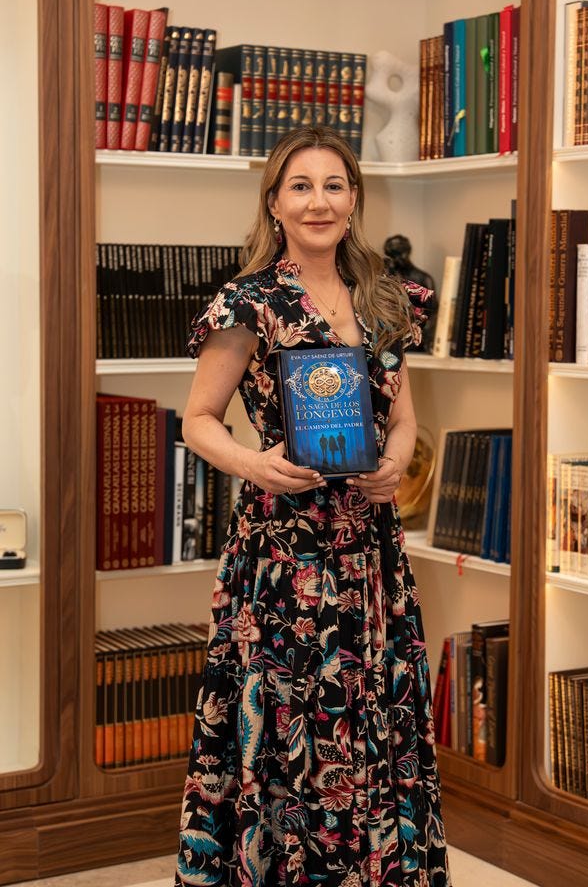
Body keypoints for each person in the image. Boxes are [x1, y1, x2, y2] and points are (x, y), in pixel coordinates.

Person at [174, 125, 451, 886]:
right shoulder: (249, 301)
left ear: (355, 201)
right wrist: (255, 465)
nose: (319, 201)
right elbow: (198, 420)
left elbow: (402, 415)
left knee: (371, 718)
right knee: (289, 724)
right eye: (301, 186)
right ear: (274, 203)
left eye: (334, 185)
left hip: (369, 552)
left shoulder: (388, 298)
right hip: (283, 554)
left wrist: (396, 461)